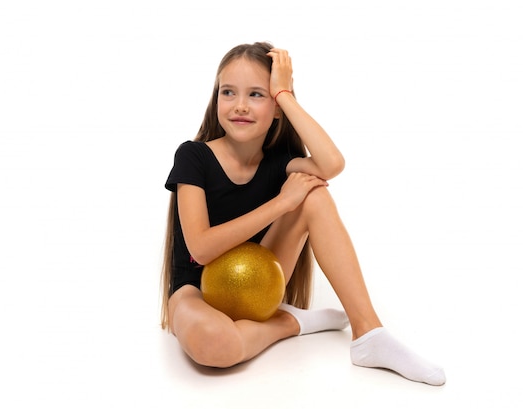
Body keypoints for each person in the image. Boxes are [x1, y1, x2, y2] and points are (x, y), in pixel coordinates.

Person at [161, 42, 445, 386]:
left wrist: (284, 93)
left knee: (314, 194)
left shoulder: (278, 162)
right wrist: (281, 203)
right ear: (215, 98)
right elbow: (201, 249)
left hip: (259, 285)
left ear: (277, 108)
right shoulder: (193, 156)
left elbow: (332, 164)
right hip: (196, 290)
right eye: (228, 92)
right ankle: (289, 323)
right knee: (214, 345)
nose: (239, 106)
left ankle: (368, 333)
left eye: (256, 95)